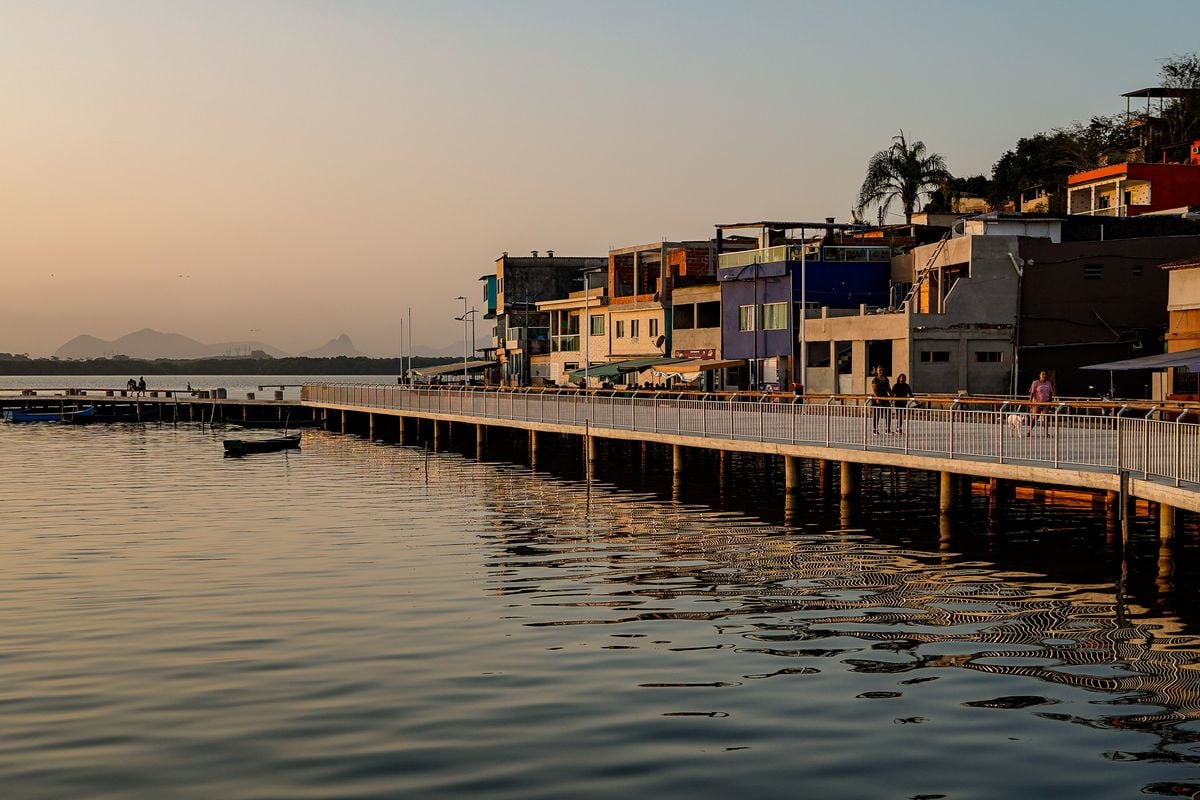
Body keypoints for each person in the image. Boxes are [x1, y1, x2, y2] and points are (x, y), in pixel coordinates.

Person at [1028, 370, 1054, 437]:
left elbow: (1051, 393)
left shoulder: (1048, 383)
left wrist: (1051, 403)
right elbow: (1032, 393)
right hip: (1037, 403)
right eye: (1042, 374)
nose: (1044, 375)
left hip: (1046, 402)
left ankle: (1046, 433)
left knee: (1046, 417)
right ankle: (1029, 431)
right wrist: (1030, 402)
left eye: (1045, 374)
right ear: (1039, 375)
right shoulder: (1036, 383)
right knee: (1035, 417)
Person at [870, 365, 892, 435]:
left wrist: (891, 396)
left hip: (885, 397)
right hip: (877, 398)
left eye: (882, 370)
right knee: (877, 414)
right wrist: (877, 399)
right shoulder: (875, 380)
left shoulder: (886, 379)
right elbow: (874, 390)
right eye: (880, 370)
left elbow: (888, 388)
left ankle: (888, 429)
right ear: (877, 371)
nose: (881, 372)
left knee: (888, 413)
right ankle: (875, 429)